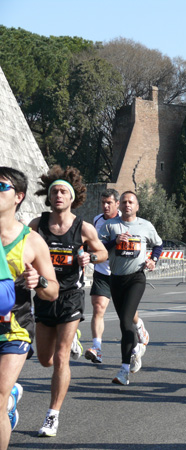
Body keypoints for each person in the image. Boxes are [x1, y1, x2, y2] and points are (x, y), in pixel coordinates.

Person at [29, 166, 107, 437]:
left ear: (72, 197)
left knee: (62, 357)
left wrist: (90, 258)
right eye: (54, 192)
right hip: (43, 295)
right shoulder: (37, 225)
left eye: (63, 191)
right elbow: (23, 251)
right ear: (49, 197)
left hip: (71, 296)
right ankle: (71, 339)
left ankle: (52, 415)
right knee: (45, 360)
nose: (59, 195)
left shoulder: (82, 228)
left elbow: (103, 252)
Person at [0, 167, 58, 449]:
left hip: (14, 329)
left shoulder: (31, 241)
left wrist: (39, 280)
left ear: (18, 197)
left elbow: (52, 291)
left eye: (1, 187)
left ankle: (5, 401)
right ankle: (10, 402)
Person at [98, 191, 163, 386]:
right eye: (124, 202)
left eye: (131, 202)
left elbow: (158, 245)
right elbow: (99, 248)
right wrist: (114, 242)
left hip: (136, 278)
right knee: (125, 320)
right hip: (116, 279)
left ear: (137, 206)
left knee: (126, 322)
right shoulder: (110, 226)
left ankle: (124, 370)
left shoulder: (145, 225)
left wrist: (153, 260)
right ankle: (136, 350)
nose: (127, 205)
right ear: (119, 205)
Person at [86, 189, 150, 364]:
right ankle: (97, 348)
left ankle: (139, 327)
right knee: (98, 307)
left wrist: (149, 259)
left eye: (109, 203)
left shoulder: (127, 220)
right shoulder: (97, 221)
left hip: (123, 273)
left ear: (117, 204)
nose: (105, 206)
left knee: (127, 314)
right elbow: (97, 245)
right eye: (103, 203)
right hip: (102, 270)